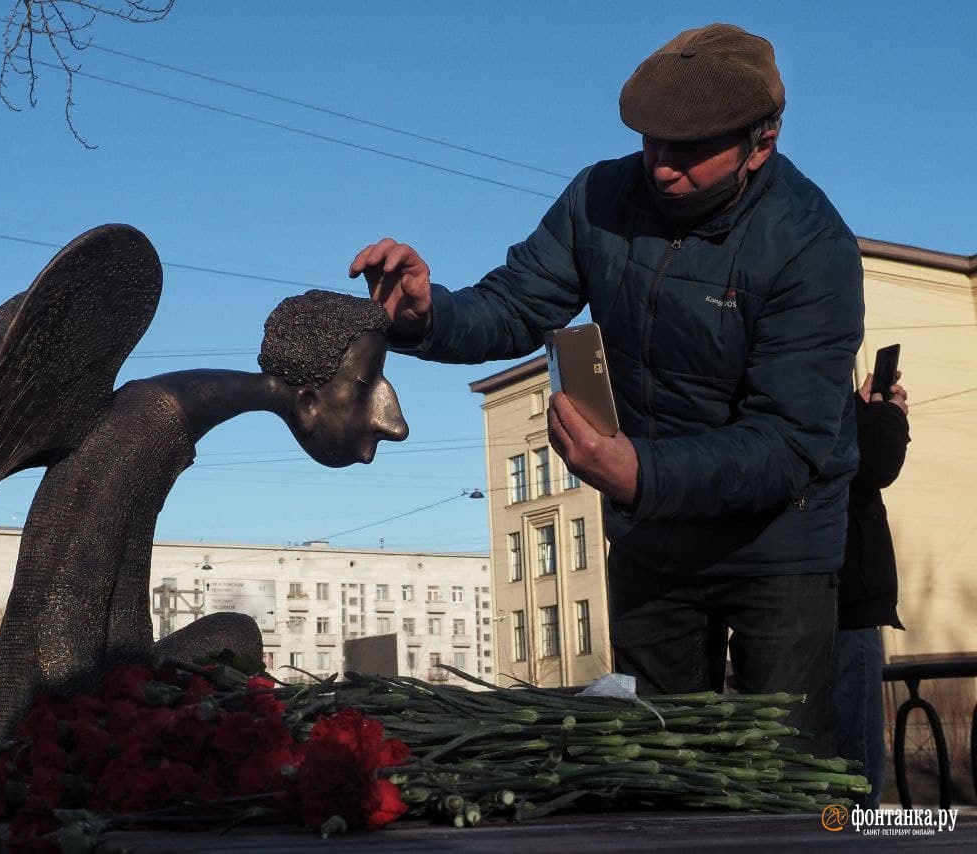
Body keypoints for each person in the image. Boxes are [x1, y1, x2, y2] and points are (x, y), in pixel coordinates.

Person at [350, 23, 864, 755]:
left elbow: (789, 443)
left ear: (763, 142)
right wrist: (429, 315)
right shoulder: (600, 196)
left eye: (690, 149)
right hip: (652, 541)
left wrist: (639, 472)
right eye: (652, 139)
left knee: (779, 778)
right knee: (661, 766)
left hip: (775, 550)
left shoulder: (813, 248)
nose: (661, 166)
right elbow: (517, 304)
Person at [0, 225, 409, 735]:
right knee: (236, 639)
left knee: (234, 633)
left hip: (98, 688)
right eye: (366, 383)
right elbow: (58, 607)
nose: (393, 421)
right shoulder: (144, 427)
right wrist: (63, 741)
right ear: (307, 400)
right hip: (75, 703)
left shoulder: (160, 420)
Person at [837, 371, 909, 806]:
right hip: (848, 599)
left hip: (815, 595)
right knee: (855, 783)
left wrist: (861, 411)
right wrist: (887, 418)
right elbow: (874, 461)